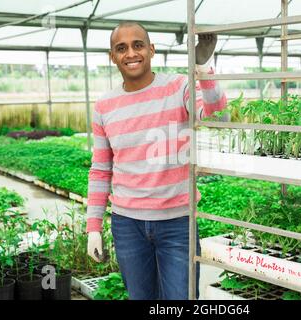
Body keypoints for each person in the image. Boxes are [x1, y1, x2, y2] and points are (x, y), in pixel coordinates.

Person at [86, 21, 227, 300]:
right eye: (121, 48)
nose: (131, 53)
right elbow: (101, 170)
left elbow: (217, 118)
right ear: (112, 57)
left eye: (138, 45)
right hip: (128, 226)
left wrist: (202, 68)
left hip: (177, 223)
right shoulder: (104, 106)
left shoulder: (178, 86)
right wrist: (94, 227)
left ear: (151, 50)